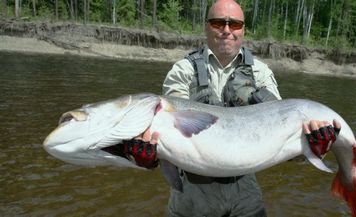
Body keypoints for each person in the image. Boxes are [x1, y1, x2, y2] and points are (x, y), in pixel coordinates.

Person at [123, 0, 341, 216]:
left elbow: (280, 136)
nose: (227, 30)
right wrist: (148, 158)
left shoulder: (261, 73)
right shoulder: (182, 71)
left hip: (246, 198)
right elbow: (168, 133)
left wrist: (312, 147)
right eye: (219, 23)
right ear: (206, 27)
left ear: (243, 30)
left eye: (234, 24)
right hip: (190, 200)